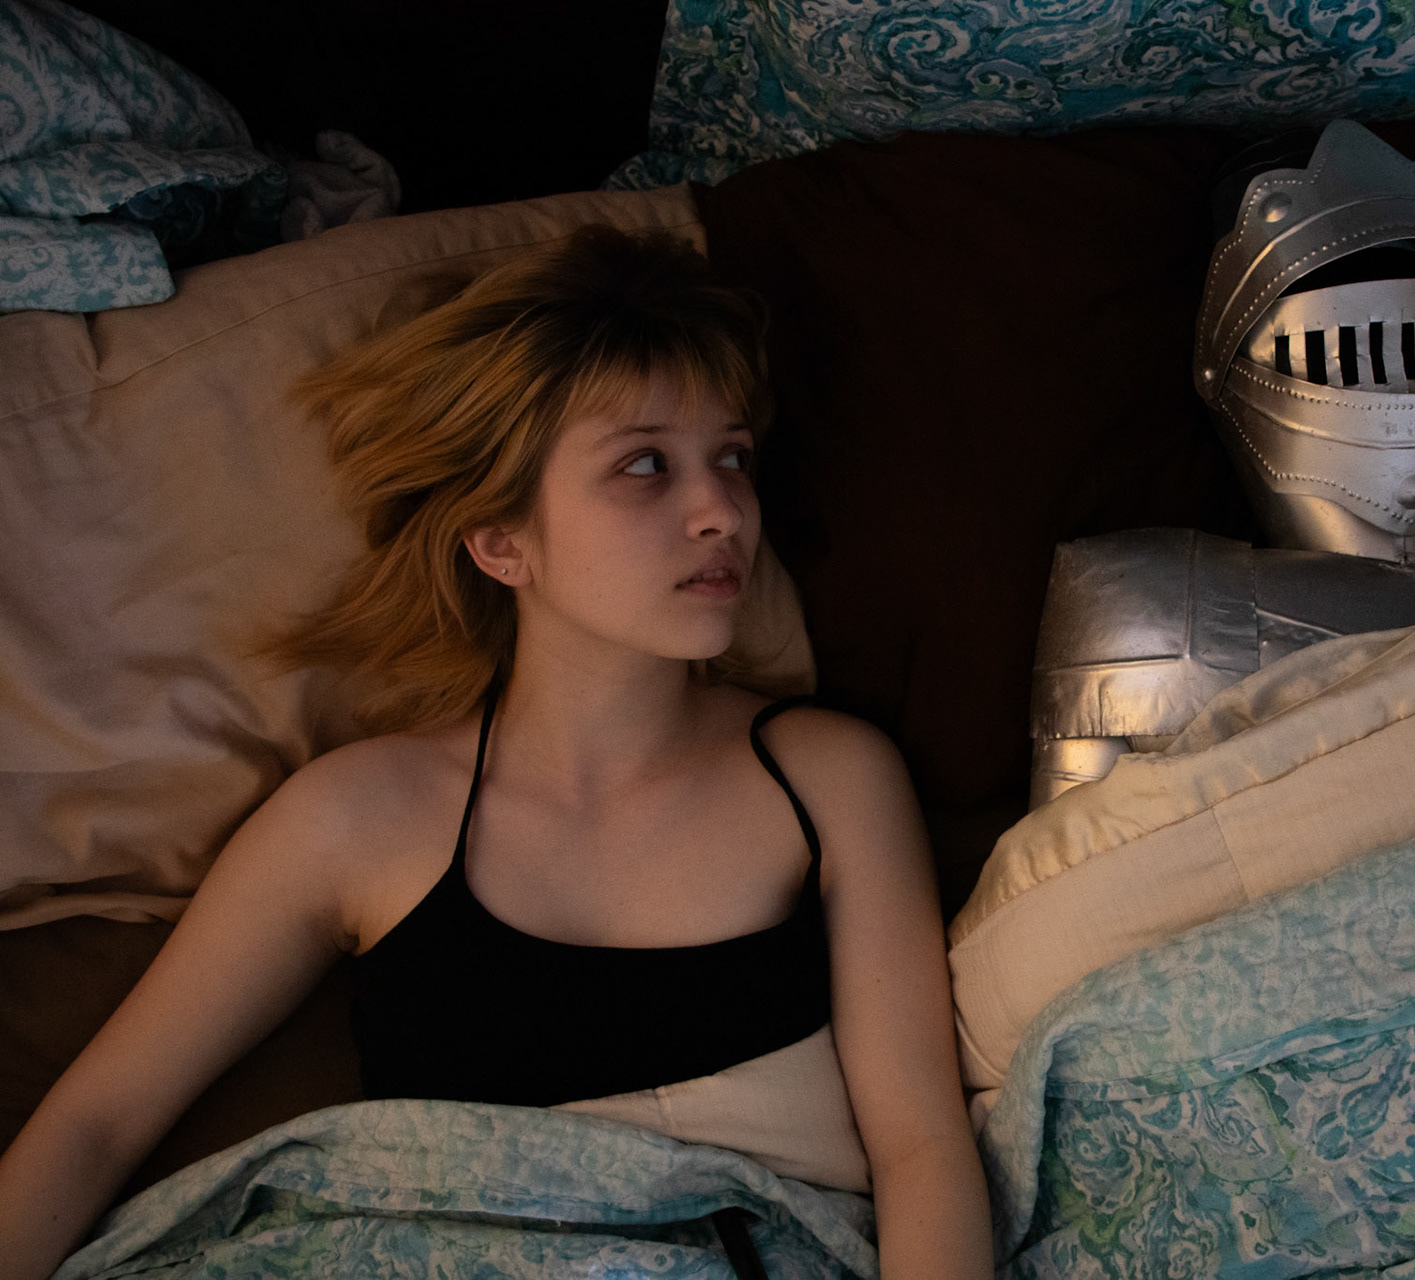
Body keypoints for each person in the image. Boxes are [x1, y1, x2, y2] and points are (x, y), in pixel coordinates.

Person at [0, 226, 994, 1279]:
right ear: (502, 541)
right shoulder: (356, 816)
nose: (722, 512)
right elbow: (97, 1123)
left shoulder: (827, 777)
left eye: (733, 458)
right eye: (644, 465)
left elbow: (921, 1147)